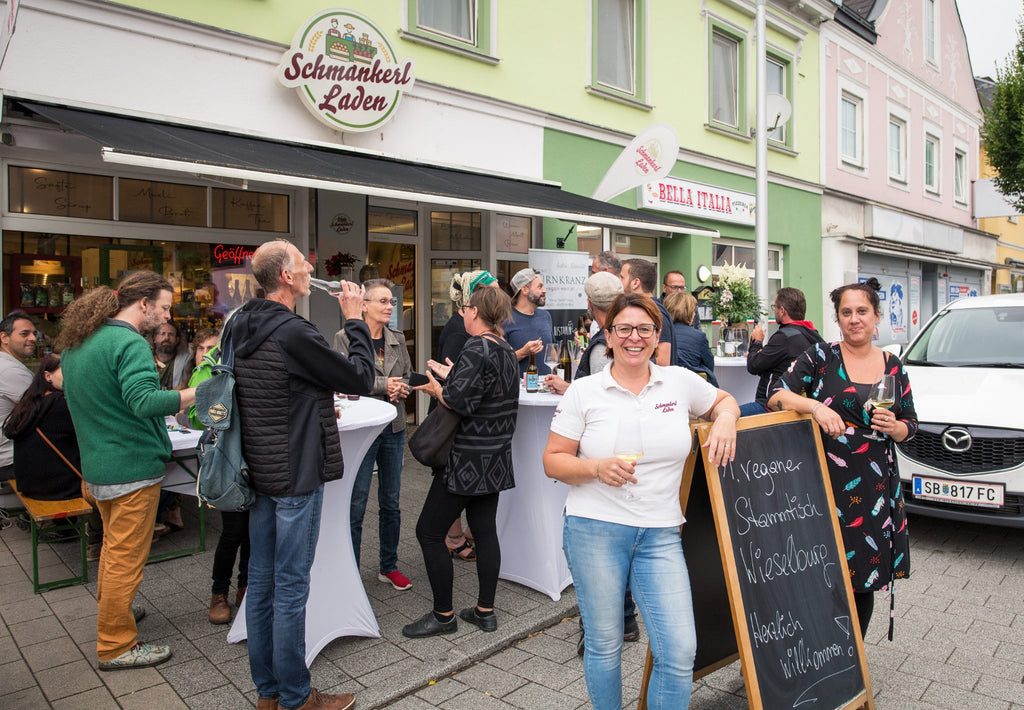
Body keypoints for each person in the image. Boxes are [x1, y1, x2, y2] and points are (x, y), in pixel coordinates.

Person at [543, 293, 739, 710]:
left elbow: (724, 401)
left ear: (656, 335)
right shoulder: (584, 391)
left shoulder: (678, 381)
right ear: (608, 336)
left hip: (660, 533)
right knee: (605, 643)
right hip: (594, 528)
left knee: (680, 650)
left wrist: (725, 419)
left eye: (645, 329)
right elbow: (552, 461)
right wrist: (596, 468)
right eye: (624, 329)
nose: (635, 337)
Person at [228, 239, 374, 710]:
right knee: (290, 588)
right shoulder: (294, 331)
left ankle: (267, 693)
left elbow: (265, 387)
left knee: (262, 582)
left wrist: (307, 395)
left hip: (260, 467)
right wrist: (354, 319)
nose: (311, 267)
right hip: (295, 470)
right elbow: (357, 379)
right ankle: (296, 697)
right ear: (286, 278)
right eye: (301, 262)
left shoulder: (239, 324)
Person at [57, 271, 198, 672]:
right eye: (165, 306)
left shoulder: (79, 343)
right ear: (144, 304)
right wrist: (198, 392)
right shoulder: (129, 343)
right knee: (125, 559)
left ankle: (115, 615)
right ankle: (116, 644)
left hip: (97, 466)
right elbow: (145, 402)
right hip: (130, 468)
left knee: (111, 552)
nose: (168, 314)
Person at [767, 277, 916, 639]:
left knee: (862, 578)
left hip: (875, 487)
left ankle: (852, 660)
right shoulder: (821, 357)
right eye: (846, 312)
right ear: (837, 318)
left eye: (862, 311)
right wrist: (815, 406)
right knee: (819, 571)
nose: (854, 319)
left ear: (876, 316)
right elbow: (776, 396)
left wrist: (895, 427)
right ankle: (815, 652)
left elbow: (911, 425)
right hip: (822, 483)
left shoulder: (892, 364)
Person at [404, 285, 519, 638]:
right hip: (495, 458)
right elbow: (482, 393)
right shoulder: (505, 349)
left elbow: (457, 401)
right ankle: (485, 611)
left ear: (475, 312)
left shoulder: (477, 346)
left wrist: (435, 387)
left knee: (428, 531)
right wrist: (453, 375)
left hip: (466, 459)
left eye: (466, 307)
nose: (463, 313)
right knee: (485, 532)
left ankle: (443, 616)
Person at [334, 278, 414, 591]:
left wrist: (402, 385)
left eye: (391, 302)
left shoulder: (397, 338)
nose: (389, 306)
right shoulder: (345, 338)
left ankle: (388, 566)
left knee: (391, 501)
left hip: (393, 428)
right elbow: (345, 379)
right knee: (356, 503)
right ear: (363, 305)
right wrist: (386, 386)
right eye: (382, 301)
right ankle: (349, 570)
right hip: (362, 430)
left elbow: (406, 374)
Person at [432, 270, 499, 561]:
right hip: (453, 419)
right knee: (449, 481)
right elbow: (453, 380)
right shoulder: (460, 330)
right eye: (493, 291)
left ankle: (460, 532)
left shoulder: (481, 332)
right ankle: (453, 535)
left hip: (463, 416)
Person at [3, 354, 81, 501]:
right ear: (48, 376)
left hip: (30, 485)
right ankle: (95, 525)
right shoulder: (59, 404)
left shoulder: (30, 401)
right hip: (59, 488)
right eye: (66, 370)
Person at [741, 287, 825, 416]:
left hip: (770, 407)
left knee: (724, 416)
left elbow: (753, 366)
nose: (773, 310)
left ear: (782, 310)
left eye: (774, 307)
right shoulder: (815, 336)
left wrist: (756, 342)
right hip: (800, 407)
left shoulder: (784, 337)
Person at [544, 271, 622, 392]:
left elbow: (600, 395)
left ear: (590, 305)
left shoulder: (601, 347)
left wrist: (567, 388)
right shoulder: (624, 330)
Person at [0, 311, 36, 490]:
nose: (33, 338)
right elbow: (43, 408)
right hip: (10, 461)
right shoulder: (9, 370)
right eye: (24, 334)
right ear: (4, 338)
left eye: (34, 333)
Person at [619, 259, 675, 366]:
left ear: (635, 283)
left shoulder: (656, 311)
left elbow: (662, 361)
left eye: (622, 277)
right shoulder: (643, 308)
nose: (619, 281)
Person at [503, 267, 552, 376]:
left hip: (547, 389)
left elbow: (552, 352)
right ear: (525, 289)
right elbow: (500, 362)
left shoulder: (545, 316)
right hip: (520, 390)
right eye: (539, 286)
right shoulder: (504, 319)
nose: (544, 290)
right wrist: (523, 352)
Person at [664, 292, 718, 386]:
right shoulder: (698, 336)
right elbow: (710, 365)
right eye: (694, 311)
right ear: (690, 314)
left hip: (666, 384)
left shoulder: (659, 333)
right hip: (693, 386)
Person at [152, 320, 191, 391]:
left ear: (177, 340)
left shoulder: (186, 360)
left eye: (171, 334)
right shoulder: (146, 359)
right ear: (154, 338)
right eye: (162, 334)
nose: (166, 338)